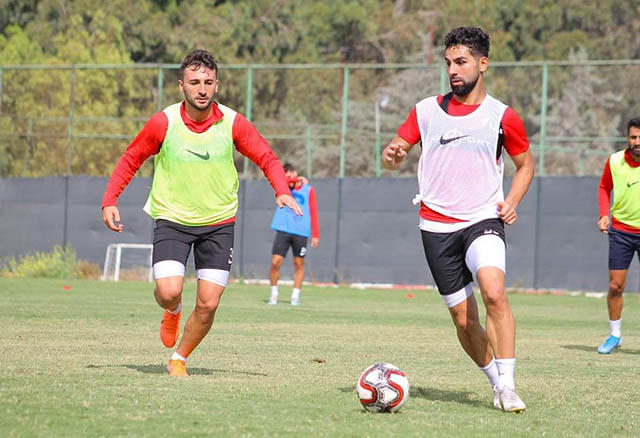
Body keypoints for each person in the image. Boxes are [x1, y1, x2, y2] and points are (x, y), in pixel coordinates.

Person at [101, 49, 301, 377]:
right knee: (169, 292)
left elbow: (266, 156)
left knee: (208, 304)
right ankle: (173, 310)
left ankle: (179, 358)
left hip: (218, 223)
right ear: (181, 86)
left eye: (208, 82)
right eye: (194, 82)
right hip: (172, 219)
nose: (202, 89)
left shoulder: (233, 123)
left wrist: (281, 189)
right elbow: (131, 158)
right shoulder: (163, 122)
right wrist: (110, 199)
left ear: (217, 85)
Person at [381, 27, 534, 412]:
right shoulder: (425, 111)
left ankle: (510, 385)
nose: (452, 70)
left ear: (483, 64)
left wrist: (512, 201)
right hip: (436, 226)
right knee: (464, 321)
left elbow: (525, 165)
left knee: (494, 293)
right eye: (448, 62)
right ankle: (496, 383)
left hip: (483, 218)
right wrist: (393, 153)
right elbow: (396, 150)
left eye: (461, 62)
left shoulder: (503, 116)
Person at [596, 117, 640, 354]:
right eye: (633, 137)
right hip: (621, 232)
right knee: (615, 286)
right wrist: (604, 214)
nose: (637, 141)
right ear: (627, 138)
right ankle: (615, 335)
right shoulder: (614, 161)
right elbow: (604, 187)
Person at [268, 163, 320, 306]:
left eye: (291, 175)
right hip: (283, 230)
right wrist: (296, 179)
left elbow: (313, 212)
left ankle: (295, 296)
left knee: (298, 264)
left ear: (295, 172)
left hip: (300, 232)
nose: (289, 179)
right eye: (286, 177)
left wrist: (316, 235)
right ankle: (274, 293)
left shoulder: (308, 190)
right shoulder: (283, 189)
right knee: (275, 262)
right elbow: (281, 181)